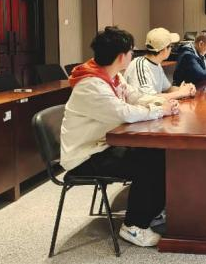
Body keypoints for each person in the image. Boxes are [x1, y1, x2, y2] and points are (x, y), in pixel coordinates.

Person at [60, 26, 179, 247]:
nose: (133, 55)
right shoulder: (91, 84)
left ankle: (151, 212)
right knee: (150, 164)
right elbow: (124, 113)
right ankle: (134, 226)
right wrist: (159, 110)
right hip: (85, 155)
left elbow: (135, 97)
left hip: (104, 144)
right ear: (122, 56)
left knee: (158, 153)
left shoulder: (112, 76)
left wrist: (162, 103)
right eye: (131, 51)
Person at [124, 27, 196, 99]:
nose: (171, 49)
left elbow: (168, 89)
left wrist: (187, 89)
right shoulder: (140, 65)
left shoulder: (157, 64)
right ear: (164, 49)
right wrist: (181, 93)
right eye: (171, 46)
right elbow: (149, 98)